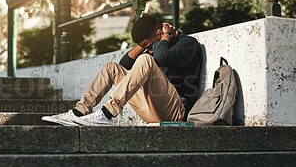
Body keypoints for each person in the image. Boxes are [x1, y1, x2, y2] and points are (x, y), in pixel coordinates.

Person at [42, 15, 202, 126]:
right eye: (145, 46)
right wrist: (143, 45)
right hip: (152, 110)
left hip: (176, 112)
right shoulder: (155, 47)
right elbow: (124, 64)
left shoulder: (187, 43)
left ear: (159, 34)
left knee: (145, 59)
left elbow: (162, 57)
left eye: (148, 44)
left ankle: (107, 113)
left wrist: (165, 37)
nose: (147, 49)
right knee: (112, 68)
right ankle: (78, 112)